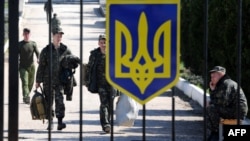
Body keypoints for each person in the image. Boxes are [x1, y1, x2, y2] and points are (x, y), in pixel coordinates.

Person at [35, 27, 71, 130]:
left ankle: (60, 122)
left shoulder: (65, 50)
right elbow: (41, 66)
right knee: (48, 101)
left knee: (60, 101)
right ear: (53, 36)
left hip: (60, 80)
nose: (59, 37)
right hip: (48, 80)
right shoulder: (46, 50)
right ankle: (50, 121)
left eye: (61, 35)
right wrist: (38, 80)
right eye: (57, 35)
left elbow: (71, 61)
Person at [206, 66, 248, 141]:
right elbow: (219, 101)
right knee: (211, 107)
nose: (211, 79)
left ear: (220, 75)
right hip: (233, 110)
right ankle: (215, 132)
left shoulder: (226, 84)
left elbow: (222, 103)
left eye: (213, 76)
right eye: (211, 77)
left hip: (237, 112)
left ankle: (217, 133)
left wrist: (212, 95)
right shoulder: (223, 83)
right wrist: (213, 90)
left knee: (211, 108)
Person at [85, 34, 116, 133]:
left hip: (112, 84)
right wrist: (87, 81)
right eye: (101, 43)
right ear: (98, 43)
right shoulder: (95, 55)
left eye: (105, 42)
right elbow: (89, 68)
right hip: (100, 84)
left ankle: (108, 122)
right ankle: (105, 124)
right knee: (104, 103)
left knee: (110, 104)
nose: (103, 45)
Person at [18, 28, 40, 104]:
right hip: (22, 67)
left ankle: (26, 95)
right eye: (25, 34)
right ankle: (26, 97)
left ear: (30, 35)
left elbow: (38, 53)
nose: (27, 35)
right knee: (25, 82)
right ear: (23, 34)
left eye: (28, 34)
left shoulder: (33, 44)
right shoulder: (20, 44)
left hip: (31, 67)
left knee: (30, 83)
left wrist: (38, 59)